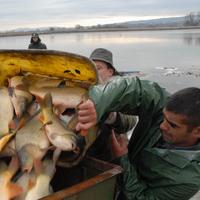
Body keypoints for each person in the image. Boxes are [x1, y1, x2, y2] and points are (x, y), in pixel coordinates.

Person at [76, 76, 200, 200]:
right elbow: (135, 88)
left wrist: (122, 160)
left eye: (172, 125)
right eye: (163, 117)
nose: (162, 126)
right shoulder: (163, 104)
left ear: (197, 131)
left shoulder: (189, 179)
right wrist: (95, 103)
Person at [87, 48, 137, 161]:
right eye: (91, 68)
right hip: (88, 151)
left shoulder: (121, 90)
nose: (94, 71)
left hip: (110, 152)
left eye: (98, 68)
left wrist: (112, 116)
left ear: (110, 72)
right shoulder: (86, 90)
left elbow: (131, 121)